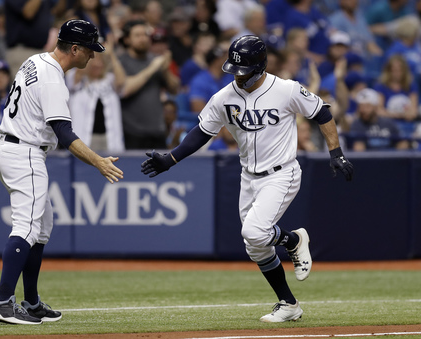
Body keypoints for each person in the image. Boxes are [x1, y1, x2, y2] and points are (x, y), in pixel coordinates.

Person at [141, 35, 353, 322]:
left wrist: (336, 152)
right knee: (255, 245)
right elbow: (203, 131)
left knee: (253, 232)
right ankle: (289, 304)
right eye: (235, 71)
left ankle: (292, 240)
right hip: (248, 177)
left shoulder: (286, 89)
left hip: (282, 173)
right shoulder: (224, 96)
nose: (238, 78)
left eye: (245, 72)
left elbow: (322, 112)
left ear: (261, 66)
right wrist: (171, 158)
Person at [0, 19, 124, 325]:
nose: (93, 56)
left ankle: (32, 303)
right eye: (89, 49)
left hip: (13, 146)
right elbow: (63, 132)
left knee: (42, 225)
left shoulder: (35, 60)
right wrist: (98, 161)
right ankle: (3, 301)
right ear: (74, 48)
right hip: (26, 151)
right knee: (27, 227)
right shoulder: (52, 78)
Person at [118, 19, 180, 150]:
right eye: (137, 35)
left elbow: (175, 89)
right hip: (131, 132)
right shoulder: (121, 61)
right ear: (127, 39)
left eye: (145, 35)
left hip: (157, 130)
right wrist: (153, 68)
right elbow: (125, 89)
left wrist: (165, 69)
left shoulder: (155, 60)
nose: (143, 39)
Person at [66, 36, 126, 152]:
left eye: (101, 61)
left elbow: (122, 82)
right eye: (94, 60)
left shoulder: (110, 80)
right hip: (84, 138)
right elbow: (79, 70)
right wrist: (88, 47)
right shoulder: (78, 80)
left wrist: (111, 55)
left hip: (110, 139)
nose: (97, 64)